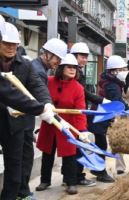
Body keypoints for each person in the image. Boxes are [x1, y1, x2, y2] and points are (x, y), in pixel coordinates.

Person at [0, 22, 52, 200]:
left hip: (15, 124)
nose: (11, 48)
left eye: (14, 44)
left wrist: (47, 103)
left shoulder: (24, 65)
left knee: (15, 169)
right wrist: (39, 109)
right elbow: (9, 94)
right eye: (6, 43)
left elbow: (36, 85)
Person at [35, 54, 88, 195]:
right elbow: (40, 97)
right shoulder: (49, 81)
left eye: (75, 68)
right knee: (47, 153)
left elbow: (80, 111)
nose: (72, 70)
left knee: (70, 154)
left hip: (67, 125)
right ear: (61, 68)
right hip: (49, 123)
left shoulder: (78, 88)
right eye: (69, 67)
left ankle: (71, 182)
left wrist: (81, 130)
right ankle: (45, 180)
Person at [70, 42, 109, 185]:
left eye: (86, 57)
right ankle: (76, 177)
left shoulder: (79, 71)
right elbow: (83, 93)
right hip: (75, 113)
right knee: (80, 145)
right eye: (82, 56)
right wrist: (102, 100)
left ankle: (72, 176)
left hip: (82, 111)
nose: (85, 60)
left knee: (81, 144)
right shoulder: (73, 72)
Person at [90, 55, 129, 176]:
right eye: (122, 69)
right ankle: (100, 172)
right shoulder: (112, 85)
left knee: (100, 144)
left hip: (100, 116)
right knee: (101, 145)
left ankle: (97, 169)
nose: (124, 72)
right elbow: (117, 101)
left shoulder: (110, 81)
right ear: (114, 71)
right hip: (100, 117)